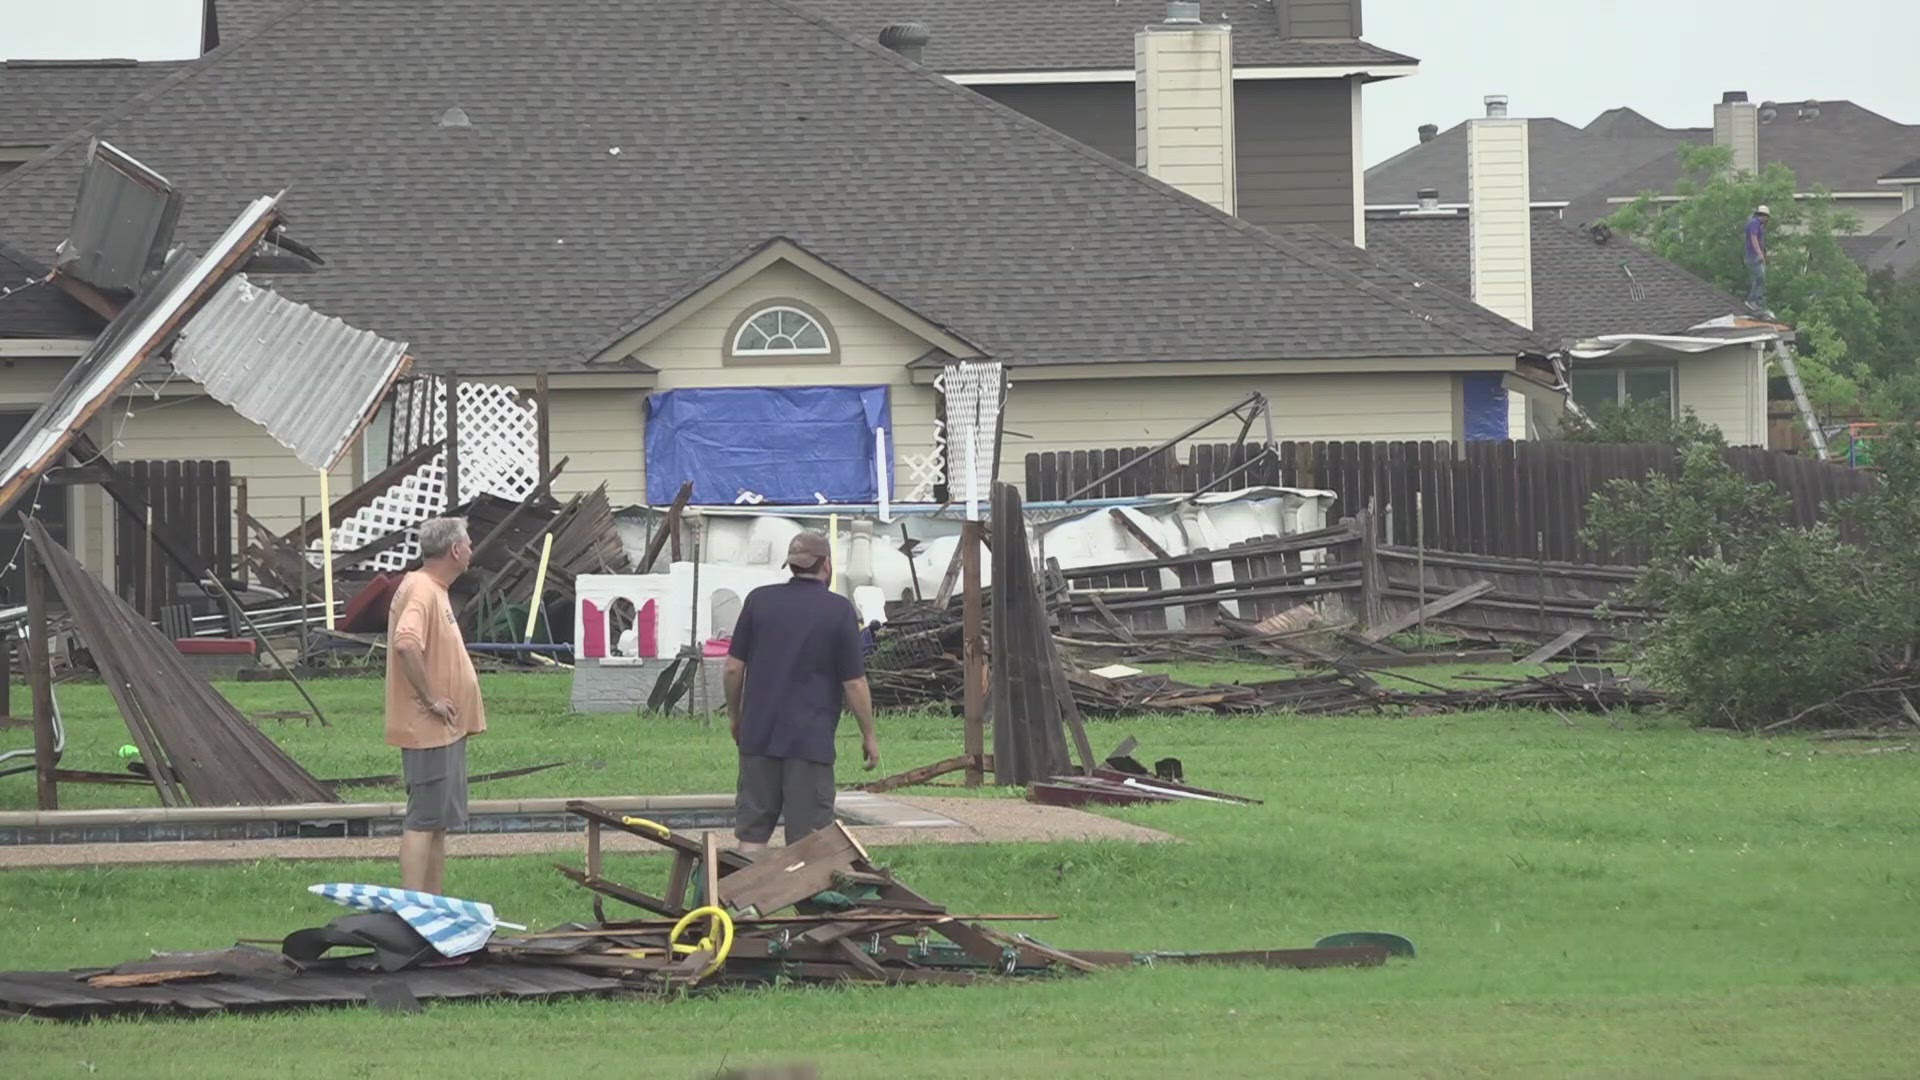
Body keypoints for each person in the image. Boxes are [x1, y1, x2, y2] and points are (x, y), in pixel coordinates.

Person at [724, 531, 878, 853]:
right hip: (810, 742)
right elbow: (854, 683)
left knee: (751, 838)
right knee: (810, 844)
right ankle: (809, 904)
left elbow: (733, 668)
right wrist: (869, 736)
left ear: (792, 565)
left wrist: (736, 717)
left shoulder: (758, 600)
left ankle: (745, 902)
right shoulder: (838, 610)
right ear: (826, 565)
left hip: (758, 737)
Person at [384, 516, 485, 892]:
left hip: (445, 731)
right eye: (469, 544)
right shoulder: (422, 590)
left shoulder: (432, 587)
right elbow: (406, 643)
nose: (472, 551)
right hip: (427, 729)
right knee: (424, 821)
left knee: (437, 823)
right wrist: (430, 699)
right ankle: (414, 909)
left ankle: (433, 903)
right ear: (455, 550)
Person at [1744, 204, 1770, 313]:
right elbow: (1753, 238)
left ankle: (1758, 302)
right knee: (1759, 277)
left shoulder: (1757, 224)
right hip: (1753, 256)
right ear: (1763, 216)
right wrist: (1759, 253)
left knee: (1760, 278)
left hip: (1754, 255)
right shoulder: (1754, 223)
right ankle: (1753, 300)